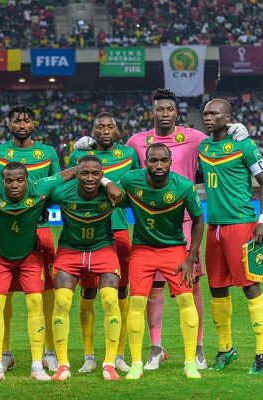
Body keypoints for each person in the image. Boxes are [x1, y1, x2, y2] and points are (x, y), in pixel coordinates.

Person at [123, 89, 248, 370]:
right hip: (151, 224)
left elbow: (219, 144)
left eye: (169, 109)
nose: (164, 114)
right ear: (152, 112)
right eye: (160, 109)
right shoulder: (136, 142)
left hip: (186, 224)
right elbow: (118, 164)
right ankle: (156, 348)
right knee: (153, 288)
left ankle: (198, 348)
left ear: (176, 112)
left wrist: (237, 131)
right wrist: (88, 146)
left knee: (192, 286)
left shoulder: (194, 138)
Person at [0, 163, 88, 382]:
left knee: (35, 303)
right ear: (2, 181)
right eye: (9, 181)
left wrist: (91, 172)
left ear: (27, 180)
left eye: (19, 180)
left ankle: (37, 366)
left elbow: (64, 175)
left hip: (30, 256)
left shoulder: (39, 187)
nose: (14, 185)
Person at [0, 105, 60, 372]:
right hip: (8, 231)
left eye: (26, 120)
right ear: (9, 124)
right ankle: (5, 353)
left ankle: (49, 351)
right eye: (16, 120)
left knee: (46, 294)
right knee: (4, 296)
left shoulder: (48, 153)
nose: (21, 124)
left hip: (41, 229)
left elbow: (57, 187)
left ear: (33, 124)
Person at [198, 99, 263, 375]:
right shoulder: (203, 148)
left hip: (241, 224)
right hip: (214, 227)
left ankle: (262, 352)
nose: (208, 117)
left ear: (228, 118)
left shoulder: (245, 145)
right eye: (205, 113)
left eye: (214, 113)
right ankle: (225, 349)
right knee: (217, 288)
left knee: (250, 286)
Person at [118, 143, 204, 380]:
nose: (158, 165)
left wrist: (191, 258)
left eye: (163, 160)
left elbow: (198, 221)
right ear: (145, 162)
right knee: (137, 303)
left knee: (186, 300)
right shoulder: (130, 180)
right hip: (142, 250)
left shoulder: (184, 186)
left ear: (170, 162)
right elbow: (112, 192)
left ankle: (190, 363)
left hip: (174, 250)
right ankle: (136, 364)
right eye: (153, 160)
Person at [67, 112, 140, 373]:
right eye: (100, 127)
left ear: (117, 129)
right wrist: (75, 152)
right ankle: (89, 356)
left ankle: (118, 355)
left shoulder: (129, 155)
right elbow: (68, 187)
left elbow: (138, 186)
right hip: (88, 233)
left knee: (121, 291)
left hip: (118, 231)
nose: (105, 130)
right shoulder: (79, 157)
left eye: (110, 126)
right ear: (93, 130)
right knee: (88, 292)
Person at [48, 155, 123, 381]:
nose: (90, 178)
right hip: (70, 250)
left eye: (95, 174)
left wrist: (108, 183)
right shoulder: (62, 193)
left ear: (102, 175)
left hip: (103, 249)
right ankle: (63, 364)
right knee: (62, 302)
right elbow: (43, 190)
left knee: (110, 301)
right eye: (84, 173)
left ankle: (109, 363)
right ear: (76, 174)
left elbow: (128, 195)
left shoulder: (112, 193)